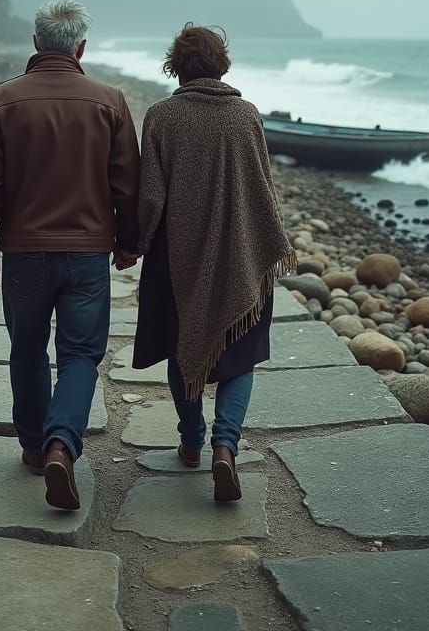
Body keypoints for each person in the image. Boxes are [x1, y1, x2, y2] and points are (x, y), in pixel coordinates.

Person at [0, 0, 141, 511]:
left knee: (26, 349)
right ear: (81, 47)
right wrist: (129, 241)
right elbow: (127, 183)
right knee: (81, 354)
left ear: (36, 42)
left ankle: (35, 447)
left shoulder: (0, 101)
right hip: (87, 254)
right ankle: (63, 441)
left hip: (23, 252)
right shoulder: (109, 101)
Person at [132, 24, 295, 502]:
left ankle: (190, 439)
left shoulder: (161, 117)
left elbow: (151, 197)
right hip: (240, 253)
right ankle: (226, 447)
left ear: (175, 65)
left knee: (181, 346)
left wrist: (135, 243)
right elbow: (262, 185)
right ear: (221, 62)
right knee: (240, 353)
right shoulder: (247, 116)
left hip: (175, 259)